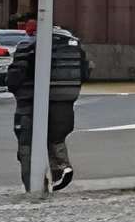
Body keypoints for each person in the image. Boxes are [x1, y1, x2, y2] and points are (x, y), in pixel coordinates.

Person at [4, 22, 83, 189]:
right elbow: (85, 71)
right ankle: (61, 167)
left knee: (26, 147)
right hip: (64, 101)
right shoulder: (70, 45)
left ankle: (35, 187)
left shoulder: (27, 45)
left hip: (30, 103)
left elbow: (14, 78)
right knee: (56, 138)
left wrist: (12, 83)